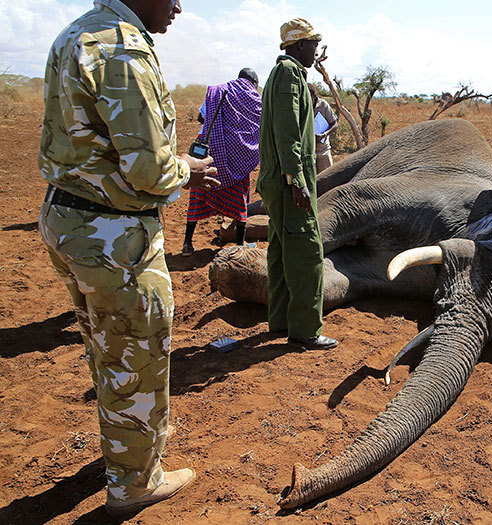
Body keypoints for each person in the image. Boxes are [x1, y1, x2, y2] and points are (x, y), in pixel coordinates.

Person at [37, 0, 220, 516]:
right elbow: (150, 172)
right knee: (136, 354)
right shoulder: (123, 46)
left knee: (107, 347)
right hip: (113, 234)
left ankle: (122, 453)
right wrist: (187, 168)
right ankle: (135, 483)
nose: (179, 6)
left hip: (68, 219)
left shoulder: (75, 34)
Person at [256, 18, 338, 350]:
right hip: (289, 182)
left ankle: (280, 320)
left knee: (279, 250)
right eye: (313, 46)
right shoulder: (289, 74)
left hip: (275, 181)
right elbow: (288, 132)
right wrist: (297, 180)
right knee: (306, 253)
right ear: (300, 45)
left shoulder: (279, 73)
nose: (316, 52)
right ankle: (305, 329)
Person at [183, 68, 262, 255]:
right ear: (254, 84)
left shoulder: (219, 92)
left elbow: (201, 117)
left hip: (211, 158)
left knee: (197, 195)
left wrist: (219, 123)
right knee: (240, 199)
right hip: (238, 159)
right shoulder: (256, 101)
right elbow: (260, 127)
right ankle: (240, 244)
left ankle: (187, 244)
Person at [308, 84, 339, 173]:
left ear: (314, 96)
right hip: (309, 151)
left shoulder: (323, 105)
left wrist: (324, 135)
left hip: (323, 149)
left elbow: (334, 124)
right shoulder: (302, 107)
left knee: (328, 178)